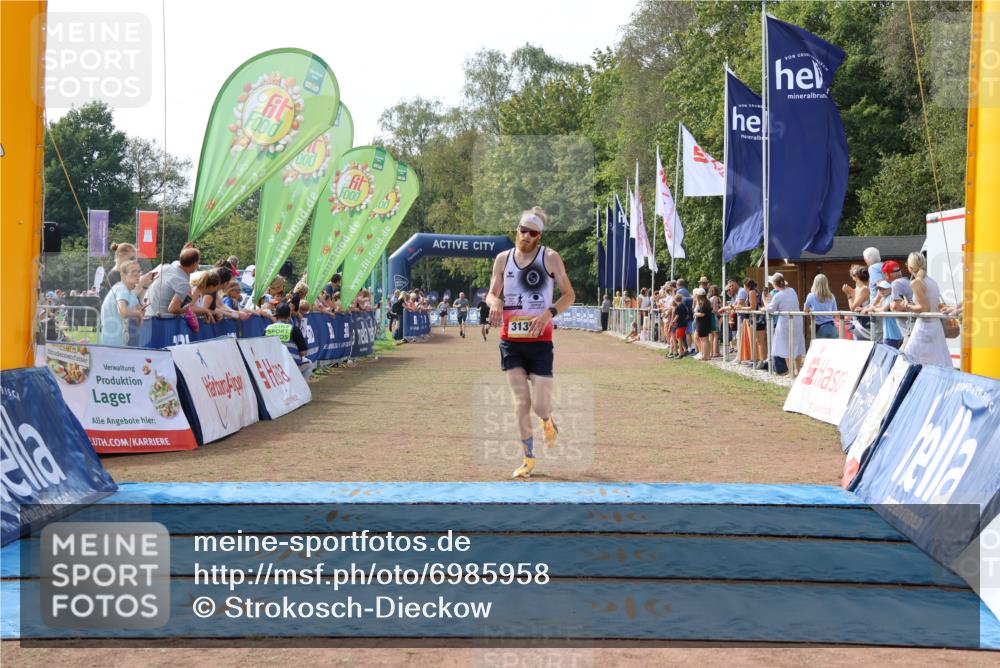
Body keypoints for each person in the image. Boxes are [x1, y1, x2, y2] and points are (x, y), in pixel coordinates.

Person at [486, 206, 575, 479]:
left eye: (532, 233)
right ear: (517, 230)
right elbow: (490, 294)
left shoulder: (550, 258)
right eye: (522, 230)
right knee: (520, 402)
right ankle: (528, 457)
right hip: (510, 342)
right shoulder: (503, 259)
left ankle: (547, 421)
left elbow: (569, 294)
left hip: (540, 342)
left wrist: (549, 313)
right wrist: (495, 302)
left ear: (539, 235)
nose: (525, 236)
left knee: (539, 406)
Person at [902, 251, 951, 367]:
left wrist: (908, 306)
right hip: (935, 326)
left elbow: (924, 308)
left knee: (909, 360)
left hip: (924, 327)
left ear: (910, 267)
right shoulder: (932, 282)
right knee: (939, 362)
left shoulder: (916, 283)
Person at [765, 273, 806, 375]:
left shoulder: (778, 295)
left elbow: (770, 309)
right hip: (797, 320)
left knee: (785, 345)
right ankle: (797, 370)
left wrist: (765, 301)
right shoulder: (792, 291)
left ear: (774, 284)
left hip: (785, 322)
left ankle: (791, 371)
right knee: (797, 343)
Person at [100, 260, 145, 346]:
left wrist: (141, 313)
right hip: (113, 343)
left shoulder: (131, 293)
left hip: (123, 342)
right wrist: (138, 314)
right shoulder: (121, 289)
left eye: (139, 271)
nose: (137, 274)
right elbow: (123, 312)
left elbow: (139, 323)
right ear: (123, 274)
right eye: (133, 272)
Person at [146, 247, 199, 317]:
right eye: (198, 263)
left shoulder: (167, 267)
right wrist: (189, 310)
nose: (198, 267)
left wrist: (185, 252)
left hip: (147, 316)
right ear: (194, 264)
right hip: (161, 321)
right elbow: (173, 309)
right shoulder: (183, 283)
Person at [265, 303, 314, 379]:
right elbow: (303, 352)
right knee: (309, 364)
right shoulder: (293, 329)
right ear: (289, 315)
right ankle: (300, 387)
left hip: (272, 364)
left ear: (276, 315)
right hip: (291, 364)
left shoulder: (267, 328)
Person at [804, 273, 839, 339]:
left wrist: (811, 310)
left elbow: (805, 310)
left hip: (818, 328)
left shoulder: (810, 296)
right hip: (831, 327)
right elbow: (835, 313)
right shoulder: (831, 296)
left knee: (819, 349)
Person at [843, 264, 873, 341]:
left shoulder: (864, 289)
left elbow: (852, 308)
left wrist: (849, 294)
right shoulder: (863, 288)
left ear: (857, 277)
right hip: (863, 326)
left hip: (863, 328)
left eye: (854, 275)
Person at [692, 288, 712, 361]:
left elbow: (702, 314)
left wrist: (695, 313)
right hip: (704, 323)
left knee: (704, 340)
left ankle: (705, 356)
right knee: (705, 340)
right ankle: (707, 355)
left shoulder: (703, 303)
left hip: (702, 323)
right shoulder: (706, 302)